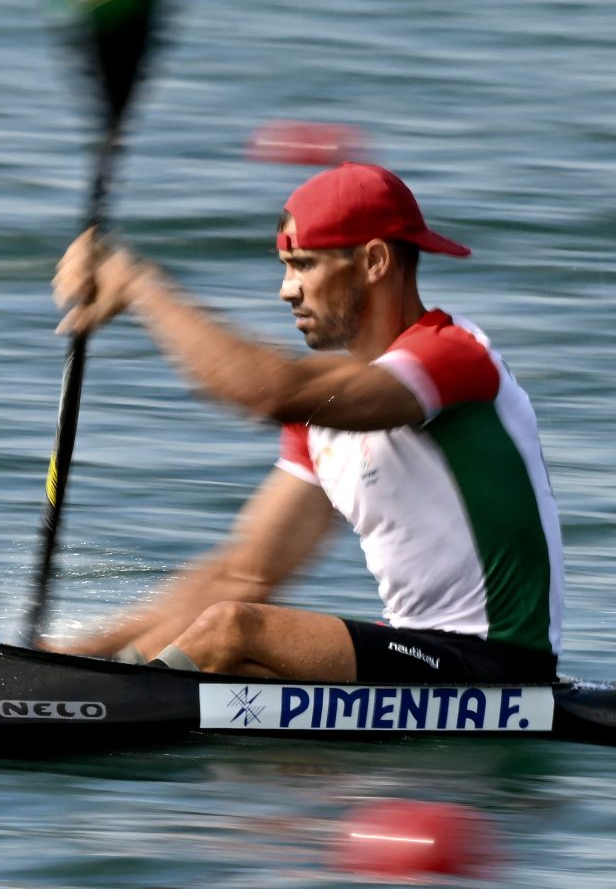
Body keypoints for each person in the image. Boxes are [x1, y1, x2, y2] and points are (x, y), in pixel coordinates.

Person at [47, 162, 563, 683]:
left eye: (304, 265)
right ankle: (96, 689)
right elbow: (244, 573)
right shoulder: (323, 415)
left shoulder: (452, 358)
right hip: (412, 652)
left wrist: (138, 284)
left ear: (375, 260)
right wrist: (67, 655)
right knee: (224, 640)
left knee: (233, 630)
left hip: (496, 663)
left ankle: (108, 706)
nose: (286, 290)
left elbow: (271, 392)